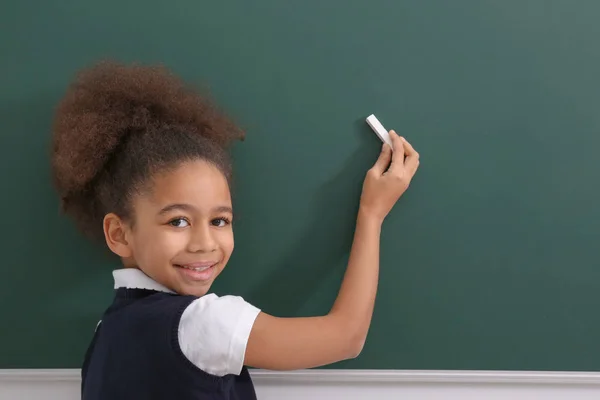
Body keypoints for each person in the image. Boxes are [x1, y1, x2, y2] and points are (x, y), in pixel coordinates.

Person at [50, 60, 420, 400]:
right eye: (177, 220)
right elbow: (346, 338)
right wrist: (372, 213)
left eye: (219, 220)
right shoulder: (202, 323)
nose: (204, 243)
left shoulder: (107, 331)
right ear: (119, 233)